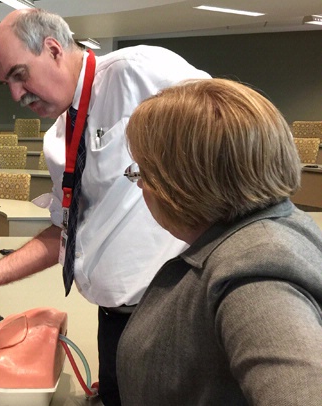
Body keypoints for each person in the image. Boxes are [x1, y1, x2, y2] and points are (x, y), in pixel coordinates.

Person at [0, 8, 209, 405]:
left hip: (172, 320)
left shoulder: (136, 72)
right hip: (115, 320)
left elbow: (233, 126)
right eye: (7, 84)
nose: (17, 95)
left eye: (20, 74)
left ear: (53, 49)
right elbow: (64, 233)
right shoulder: (59, 139)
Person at [117, 78, 322, 405]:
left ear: (180, 181)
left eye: (142, 171)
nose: (141, 184)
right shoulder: (274, 226)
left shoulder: (256, 272)